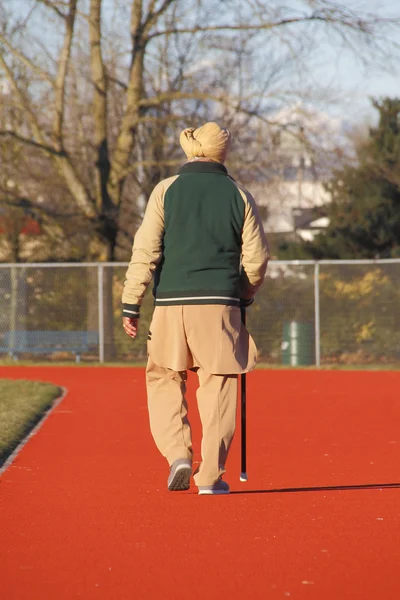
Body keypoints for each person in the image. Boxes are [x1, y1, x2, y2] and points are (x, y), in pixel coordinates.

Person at [122, 122, 269, 495]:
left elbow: (146, 251)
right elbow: (256, 259)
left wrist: (131, 302)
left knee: (164, 378)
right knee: (218, 384)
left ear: (191, 151)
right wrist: (245, 293)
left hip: (171, 305)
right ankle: (210, 478)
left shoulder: (165, 191)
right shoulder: (240, 195)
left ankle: (178, 455)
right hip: (220, 305)